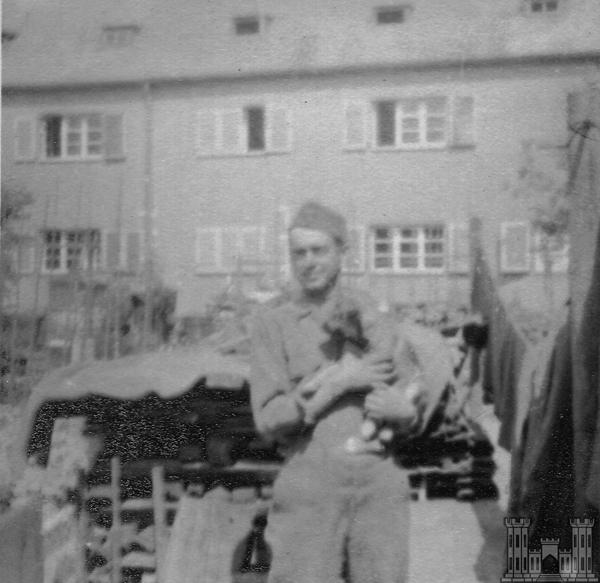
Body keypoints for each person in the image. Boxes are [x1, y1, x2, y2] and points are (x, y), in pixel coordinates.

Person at [249, 201, 426, 583]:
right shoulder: (271, 322)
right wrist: (336, 385)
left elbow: (412, 389)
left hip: (378, 479)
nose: (309, 262)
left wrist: (404, 411)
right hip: (310, 481)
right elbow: (268, 419)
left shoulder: (372, 312)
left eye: (319, 251)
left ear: (342, 252)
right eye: (299, 253)